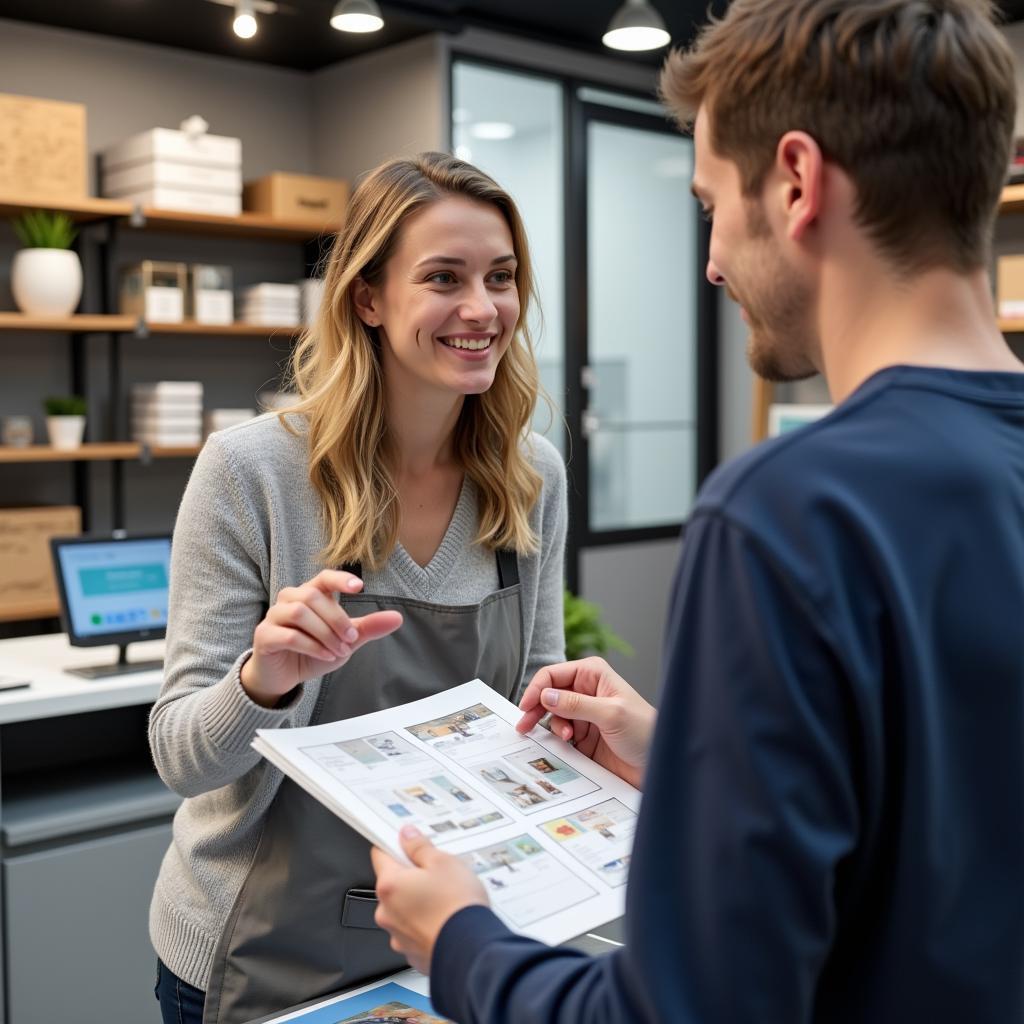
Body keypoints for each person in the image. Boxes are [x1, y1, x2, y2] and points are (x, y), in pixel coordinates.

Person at [370, 1, 1024, 1020]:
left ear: (798, 183)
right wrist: (691, 750)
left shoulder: (789, 515)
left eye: (711, 202)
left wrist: (461, 939)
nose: (712, 260)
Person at [148, 152, 567, 1024]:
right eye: (443, 278)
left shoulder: (531, 477)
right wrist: (263, 681)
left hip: (437, 940)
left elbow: (530, 705)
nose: (482, 309)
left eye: (501, 278)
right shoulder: (251, 472)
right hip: (250, 951)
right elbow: (181, 757)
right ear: (368, 299)